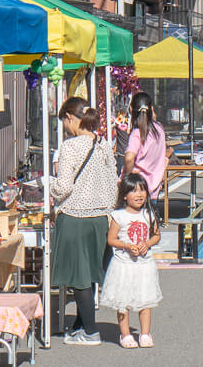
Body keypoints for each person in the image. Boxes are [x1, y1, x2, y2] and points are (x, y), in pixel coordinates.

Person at [50, 96, 120, 345]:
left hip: (75, 217)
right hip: (101, 217)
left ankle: (90, 331)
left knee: (78, 277)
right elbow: (114, 186)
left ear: (70, 117)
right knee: (89, 275)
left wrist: (46, 185)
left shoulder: (70, 146)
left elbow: (63, 187)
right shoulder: (104, 144)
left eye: (64, 122)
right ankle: (80, 327)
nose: (65, 127)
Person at [99, 172, 164, 349]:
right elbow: (111, 239)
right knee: (123, 301)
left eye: (142, 190)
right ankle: (125, 334)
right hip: (123, 265)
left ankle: (145, 333)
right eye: (134, 191)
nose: (139, 195)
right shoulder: (118, 215)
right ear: (125, 195)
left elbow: (156, 235)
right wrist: (126, 246)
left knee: (146, 299)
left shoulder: (148, 213)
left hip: (144, 264)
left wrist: (147, 243)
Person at [123, 92, 167, 200]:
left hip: (136, 189)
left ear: (131, 109)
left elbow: (129, 158)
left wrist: (128, 176)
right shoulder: (159, 129)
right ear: (151, 109)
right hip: (154, 188)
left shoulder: (137, 133)